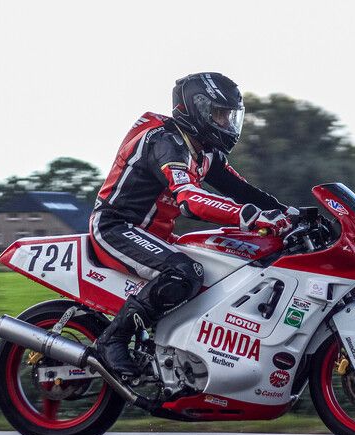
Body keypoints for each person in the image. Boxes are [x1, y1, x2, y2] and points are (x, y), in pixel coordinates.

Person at [91, 72, 293, 377]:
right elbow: (189, 199)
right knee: (184, 273)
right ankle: (112, 339)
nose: (226, 124)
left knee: (221, 269)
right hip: (116, 227)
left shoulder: (202, 151)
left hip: (155, 235)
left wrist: (290, 213)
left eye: (229, 116)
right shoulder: (165, 142)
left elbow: (242, 190)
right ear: (196, 109)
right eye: (219, 114)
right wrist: (248, 216)